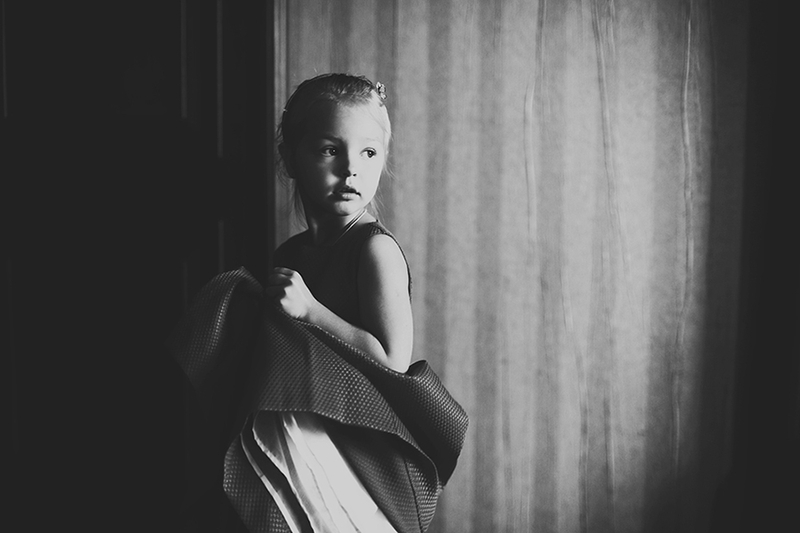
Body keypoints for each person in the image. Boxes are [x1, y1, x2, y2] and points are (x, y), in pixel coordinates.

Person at [170, 74, 467, 533]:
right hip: (305, 438)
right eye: (330, 150)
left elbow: (393, 359)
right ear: (291, 158)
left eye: (369, 153)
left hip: (360, 446)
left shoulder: (374, 250)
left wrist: (311, 310)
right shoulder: (290, 255)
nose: (351, 170)